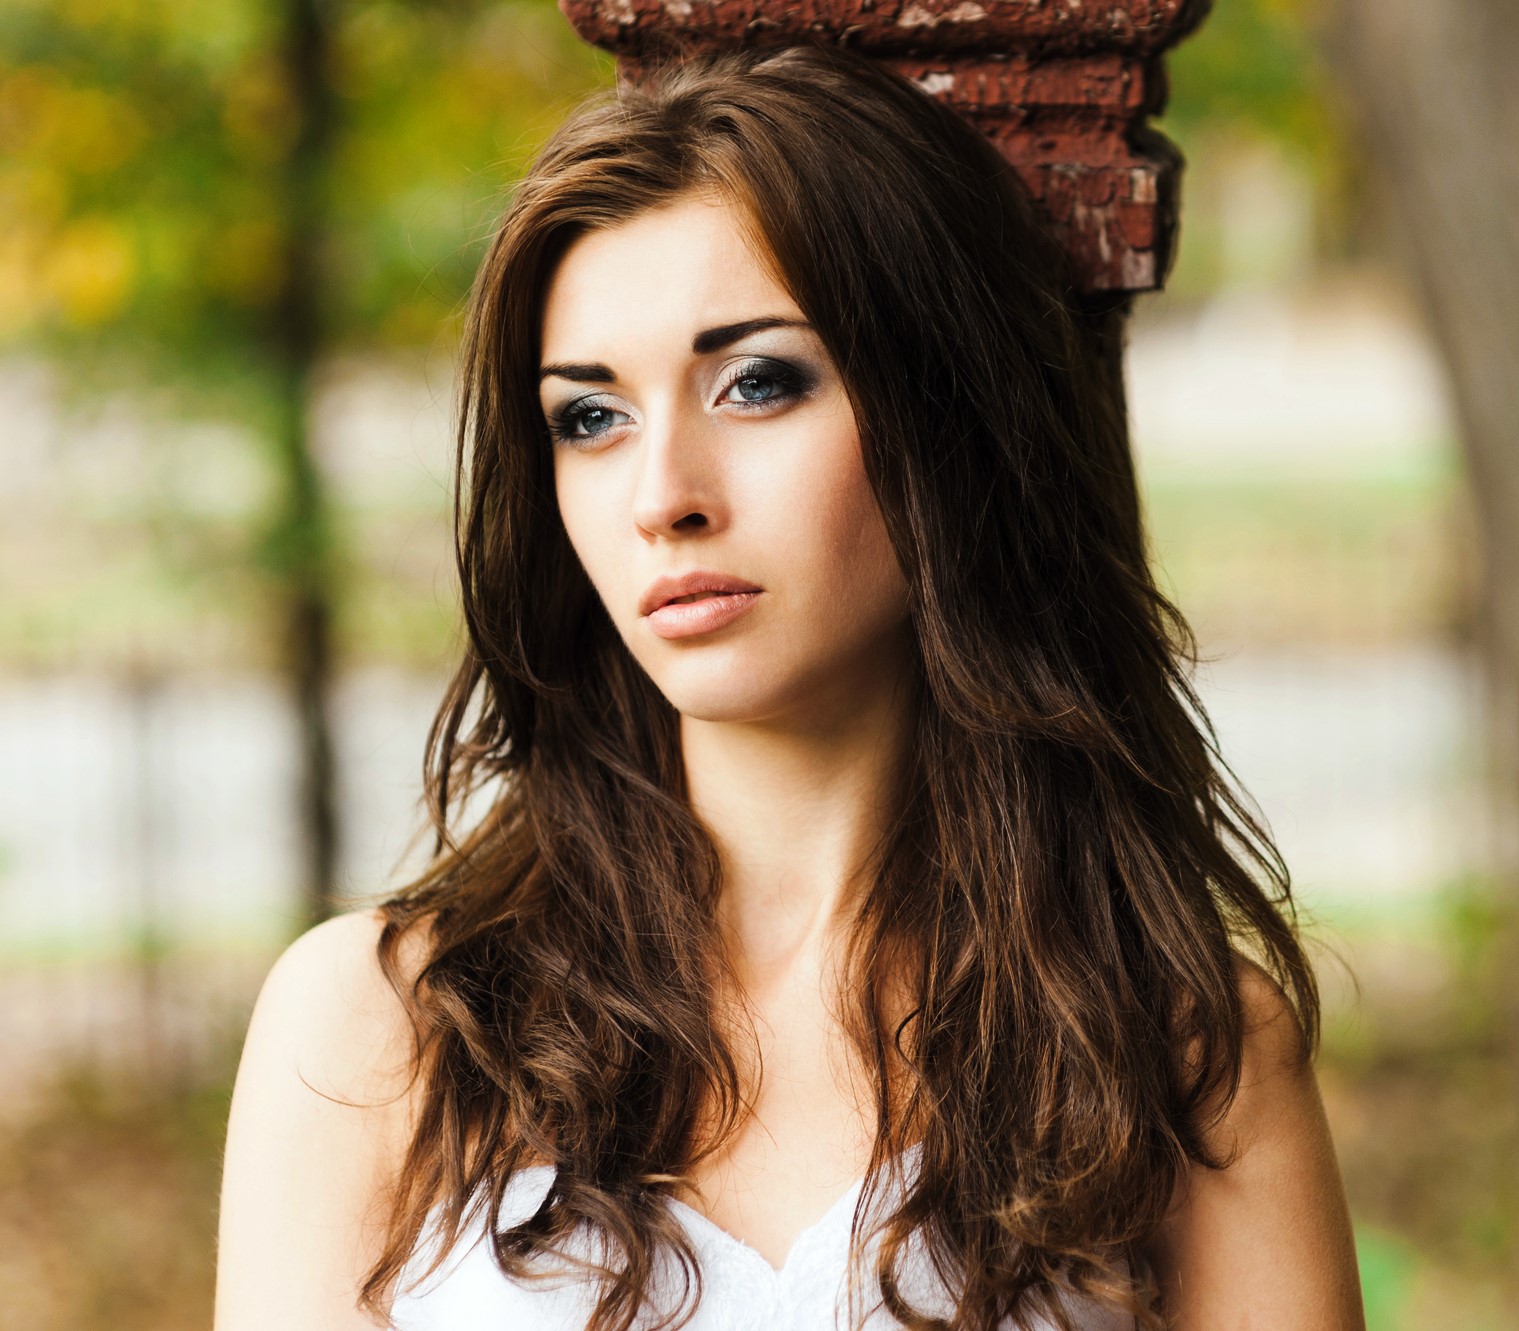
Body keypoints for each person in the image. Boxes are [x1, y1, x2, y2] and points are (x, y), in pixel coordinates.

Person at [213, 43, 1366, 1331]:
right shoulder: (380, 1027)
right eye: (589, 418)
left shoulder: (1174, 1046)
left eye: (758, 382)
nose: (663, 498)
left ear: (943, 418)